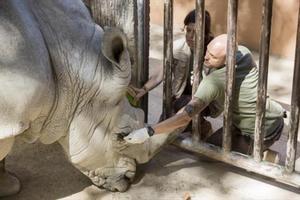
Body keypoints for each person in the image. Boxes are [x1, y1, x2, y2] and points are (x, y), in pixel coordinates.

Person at [122, 34, 285, 155]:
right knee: (209, 145)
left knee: (211, 154)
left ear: (229, 60)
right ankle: (213, 130)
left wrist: (148, 131)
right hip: (250, 118)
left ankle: (264, 154)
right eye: (207, 51)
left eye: (213, 57)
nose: (206, 57)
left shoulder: (214, 82)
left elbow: (184, 117)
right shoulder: (243, 52)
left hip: (263, 129)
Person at [130, 9, 214, 115]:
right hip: (180, 97)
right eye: (188, 30)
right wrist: (144, 89)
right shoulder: (177, 47)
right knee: (167, 117)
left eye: (196, 33)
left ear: (205, 34)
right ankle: (200, 125)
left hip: (204, 100)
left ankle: (199, 123)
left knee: (178, 114)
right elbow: (160, 74)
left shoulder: (213, 50)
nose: (190, 37)